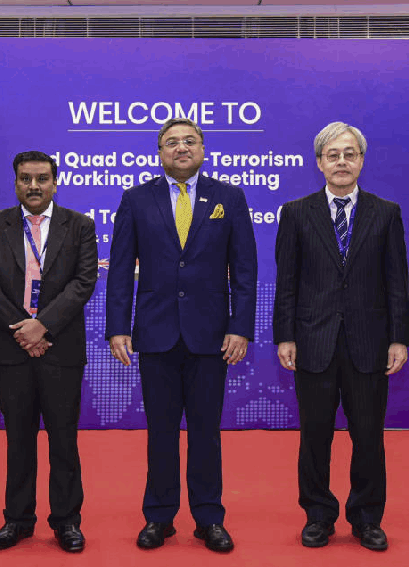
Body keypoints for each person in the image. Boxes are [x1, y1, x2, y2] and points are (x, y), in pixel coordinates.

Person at [106, 117, 257, 553]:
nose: (181, 148)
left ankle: (209, 517)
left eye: (190, 141)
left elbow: (245, 270)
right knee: (161, 432)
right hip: (155, 335)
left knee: (206, 432)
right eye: (172, 142)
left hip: (212, 336)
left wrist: (240, 326)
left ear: (203, 148)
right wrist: (118, 326)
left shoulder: (229, 197)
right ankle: (159, 517)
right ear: (160, 152)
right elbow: (119, 270)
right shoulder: (136, 200)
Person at [273, 121, 409, 552]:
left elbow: (396, 282)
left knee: (368, 435)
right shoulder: (296, 213)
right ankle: (318, 515)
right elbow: (287, 282)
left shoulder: (386, 213)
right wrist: (285, 335)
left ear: (362, 160)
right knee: (315, 436)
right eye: (333, 155)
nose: (342, 162)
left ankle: (367, 517)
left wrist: (398, 338)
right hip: (313, 341)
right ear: (319, 163)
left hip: (369, 343)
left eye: (350, 153)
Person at [0, 150, 97, 554]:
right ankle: (17, 519)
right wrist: (23, 331)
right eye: (25, 178)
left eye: (42, 178)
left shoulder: (80, 226)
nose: (33, 185)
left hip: (61, 348)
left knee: (64, 440)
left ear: (55, 182)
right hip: (12, 350)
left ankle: (66, 521)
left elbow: (83, 283)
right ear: (15, 183)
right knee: (18, 439)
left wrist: (42, 326)